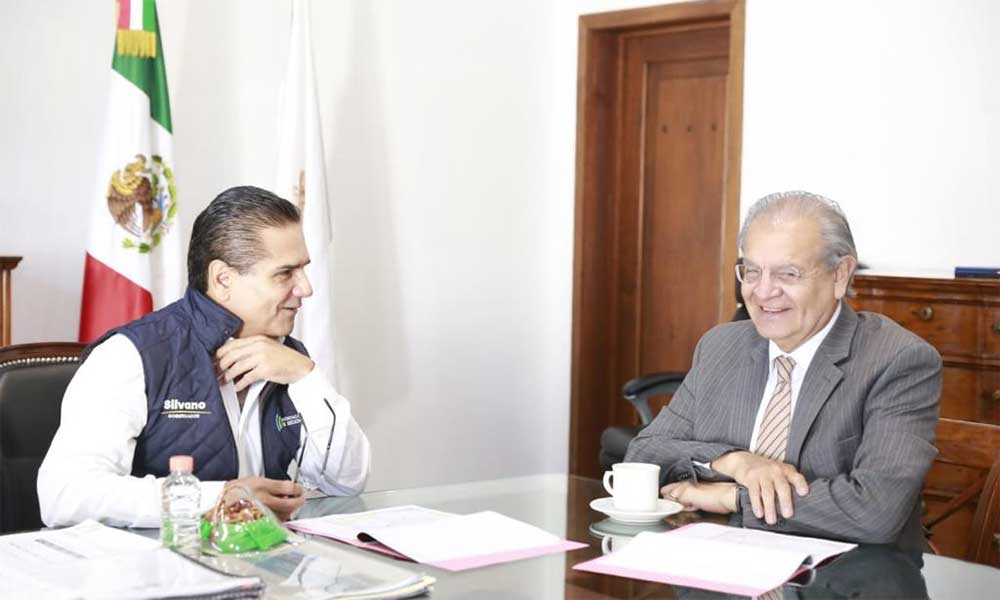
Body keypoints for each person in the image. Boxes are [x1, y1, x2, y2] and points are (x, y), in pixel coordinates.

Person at [625, 191, 941, 551]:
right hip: (724, 561)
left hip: (851, 574)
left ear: (840, 275)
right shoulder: (721, 347)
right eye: (752, 271)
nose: (763, 292)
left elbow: (876, 510)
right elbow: (643, 455)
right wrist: (735, 462)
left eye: (788, 274)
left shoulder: (897, 360)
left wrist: (735, 497)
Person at [38, 186, 371, 527]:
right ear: (223, 279)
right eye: (285, 273)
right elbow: (63, 495)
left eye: (303, 270)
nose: (306, 288)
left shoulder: (288, 358)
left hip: (266, 554)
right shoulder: (131, 355)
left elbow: (346, 483)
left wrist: (307, 377)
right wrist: (215, 499)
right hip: (157, 557)